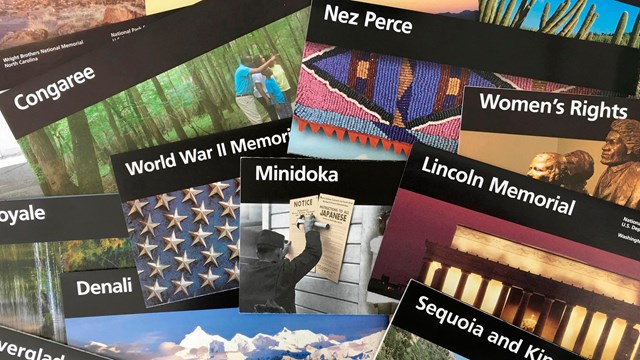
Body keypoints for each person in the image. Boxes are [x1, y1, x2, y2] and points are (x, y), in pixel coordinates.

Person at [240, 215, 322, 313]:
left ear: (257, 253)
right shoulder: (285, 271)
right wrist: (309, 229)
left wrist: (280, 255)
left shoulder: (242, 271)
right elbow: (313, 253)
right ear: (278, 252)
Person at [593, 119, 640, 209]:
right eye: (606, 142)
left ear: (630, 147)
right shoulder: (608, 172)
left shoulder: (637, 177)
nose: (604, 147)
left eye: (612, 142)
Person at [234, 54, 277, 124]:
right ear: (246, 63)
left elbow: (261, 71)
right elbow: (258, 70)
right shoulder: (242, 69)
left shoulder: (244, 69)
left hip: (247, 96)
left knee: (257, 118)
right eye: (250, 61)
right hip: (244, 98)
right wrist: (271, 60)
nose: (252, 63)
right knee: (257, 120)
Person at [251, 56, 278, 122]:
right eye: (262, 58)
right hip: (262, 95)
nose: (263, 58)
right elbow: (258, 87)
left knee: (277, 108)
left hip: (269, 92)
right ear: (258, 61)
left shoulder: (266, 67)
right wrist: (266, 98)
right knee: (272, 111)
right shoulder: (256, 73)